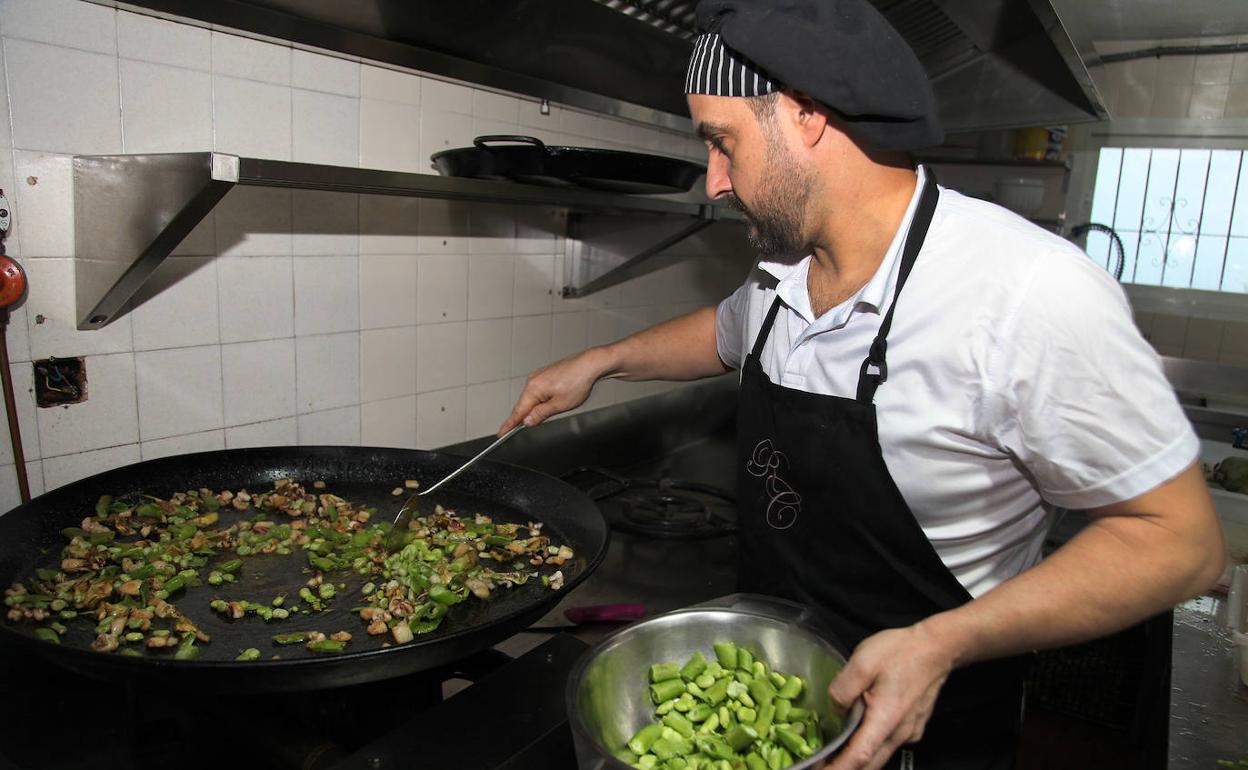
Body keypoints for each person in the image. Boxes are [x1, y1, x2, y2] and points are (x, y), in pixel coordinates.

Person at [500, 1, 1225, 767]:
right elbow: (724, 332)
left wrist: (943, 643)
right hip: (776, 707)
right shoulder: (788, 271)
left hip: (935, 724)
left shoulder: (1029, 295)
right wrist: (603, 360)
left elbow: (1182, 543)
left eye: (722, 143)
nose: (713, 182)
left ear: (806, 116)